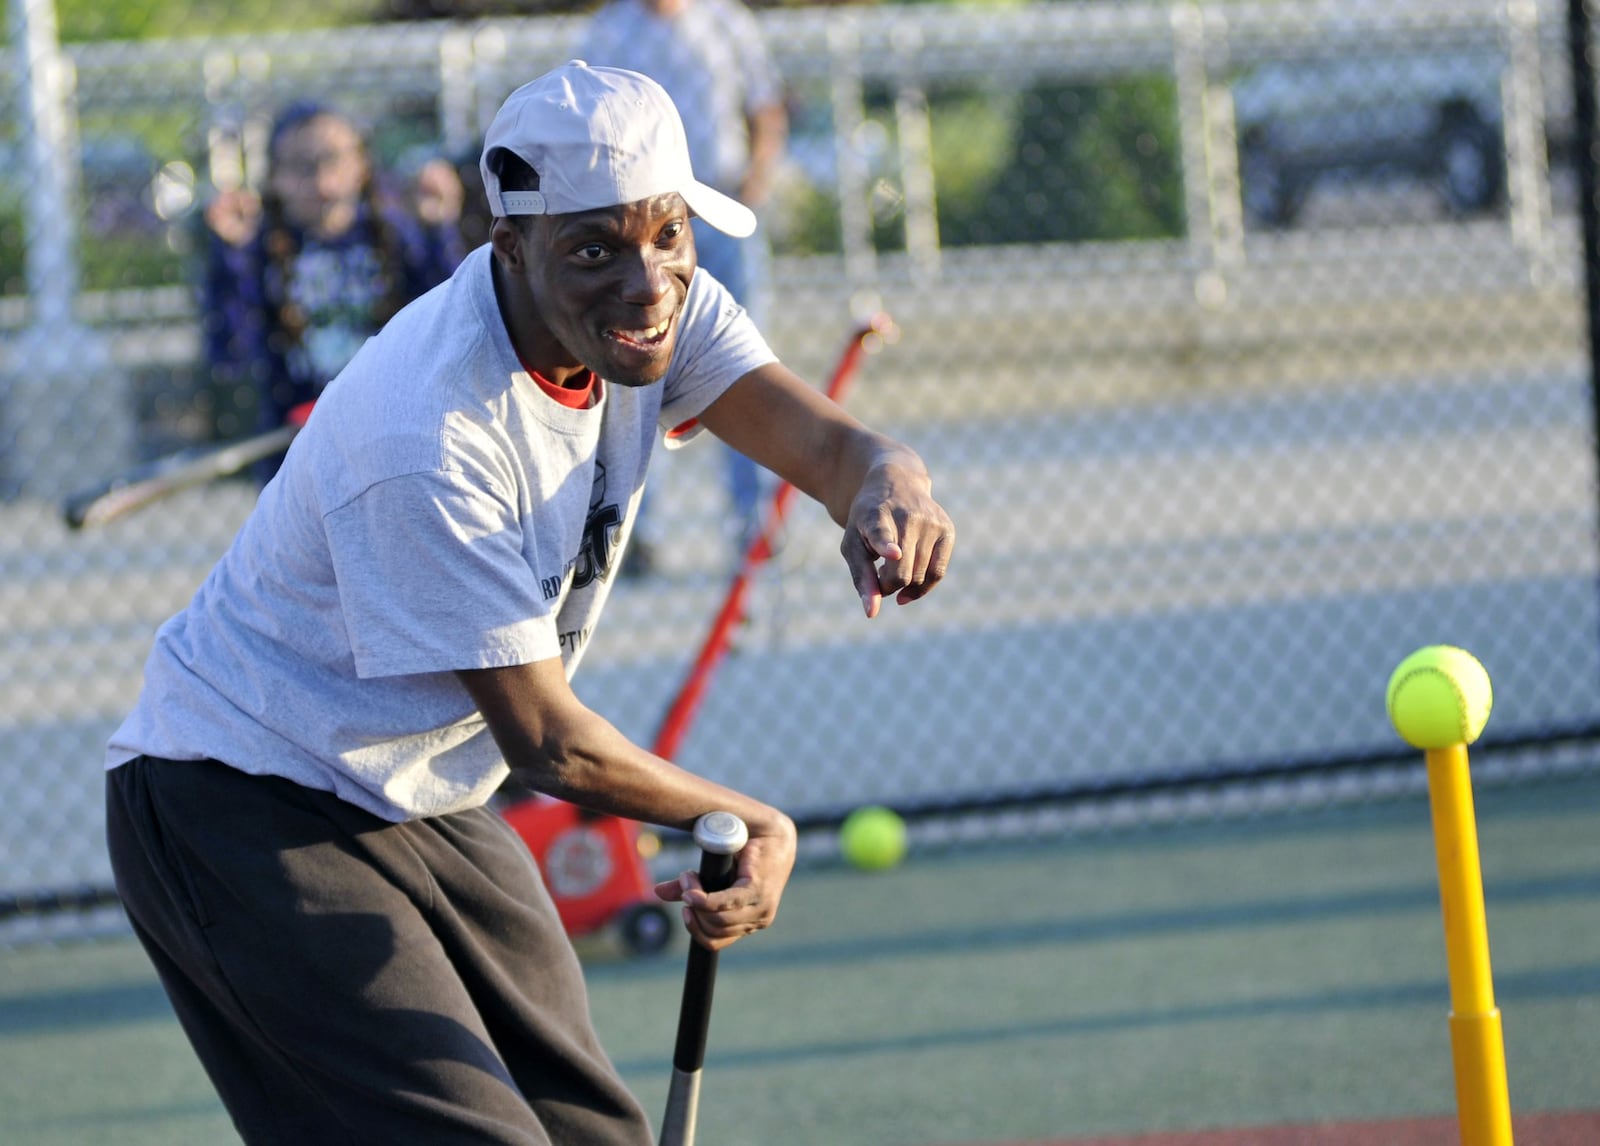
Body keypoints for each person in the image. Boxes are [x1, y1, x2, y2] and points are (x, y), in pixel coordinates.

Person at [104, 61, 954, 1145]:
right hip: (241, 799)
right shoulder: (428, 436)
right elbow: (548, 741)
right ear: (509, 243)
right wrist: (743, 817)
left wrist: (891, 481)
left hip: (422, 786)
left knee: (591, 1130)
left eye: (669, 236)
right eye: (593, 249)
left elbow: (832, 447)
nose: (646, 283)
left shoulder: (662, 309)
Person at [576, 0, 789, 575]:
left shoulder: (725, 22)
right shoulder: (610, 31)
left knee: (745, 366)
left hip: (720, 206)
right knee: (638, 370)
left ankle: (755, 524)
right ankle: (635, 532)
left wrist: (755, 181)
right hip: (646, 224)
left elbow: (764, 109)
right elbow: (591, 128)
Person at [200, 101, 466, 483]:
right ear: (275, 176)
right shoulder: (262, 248)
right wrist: (230, 257)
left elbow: (454, 325)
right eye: (301, 166)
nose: (322, 181)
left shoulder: (396, 236)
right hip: (297, 453)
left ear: (361, 165)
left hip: (395, 444)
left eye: (334, 160)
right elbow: (231, 352)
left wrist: (440, 230)